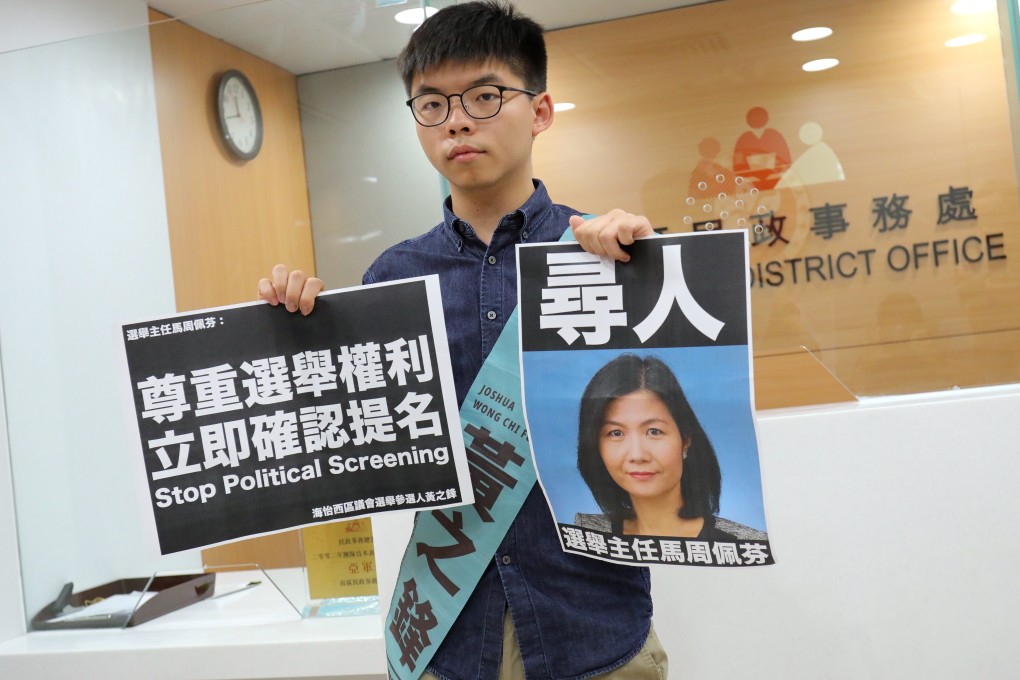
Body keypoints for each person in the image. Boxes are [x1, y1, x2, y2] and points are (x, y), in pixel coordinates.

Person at [258, 3, 665, 680]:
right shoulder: (390, 279)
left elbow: (672, 412)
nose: (457, 119)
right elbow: (361, 454)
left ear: (540, 111)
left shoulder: (606, 254)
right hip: (448, 636)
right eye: (432, 103)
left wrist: (648, 267)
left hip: (596, 631)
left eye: (484, 95)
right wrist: (291, 340)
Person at [574, 354, 767, 541]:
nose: (637, 455)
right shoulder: (587, 533)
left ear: (685, 440)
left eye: (654, 431)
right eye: (616, 433)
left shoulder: (744, 542)